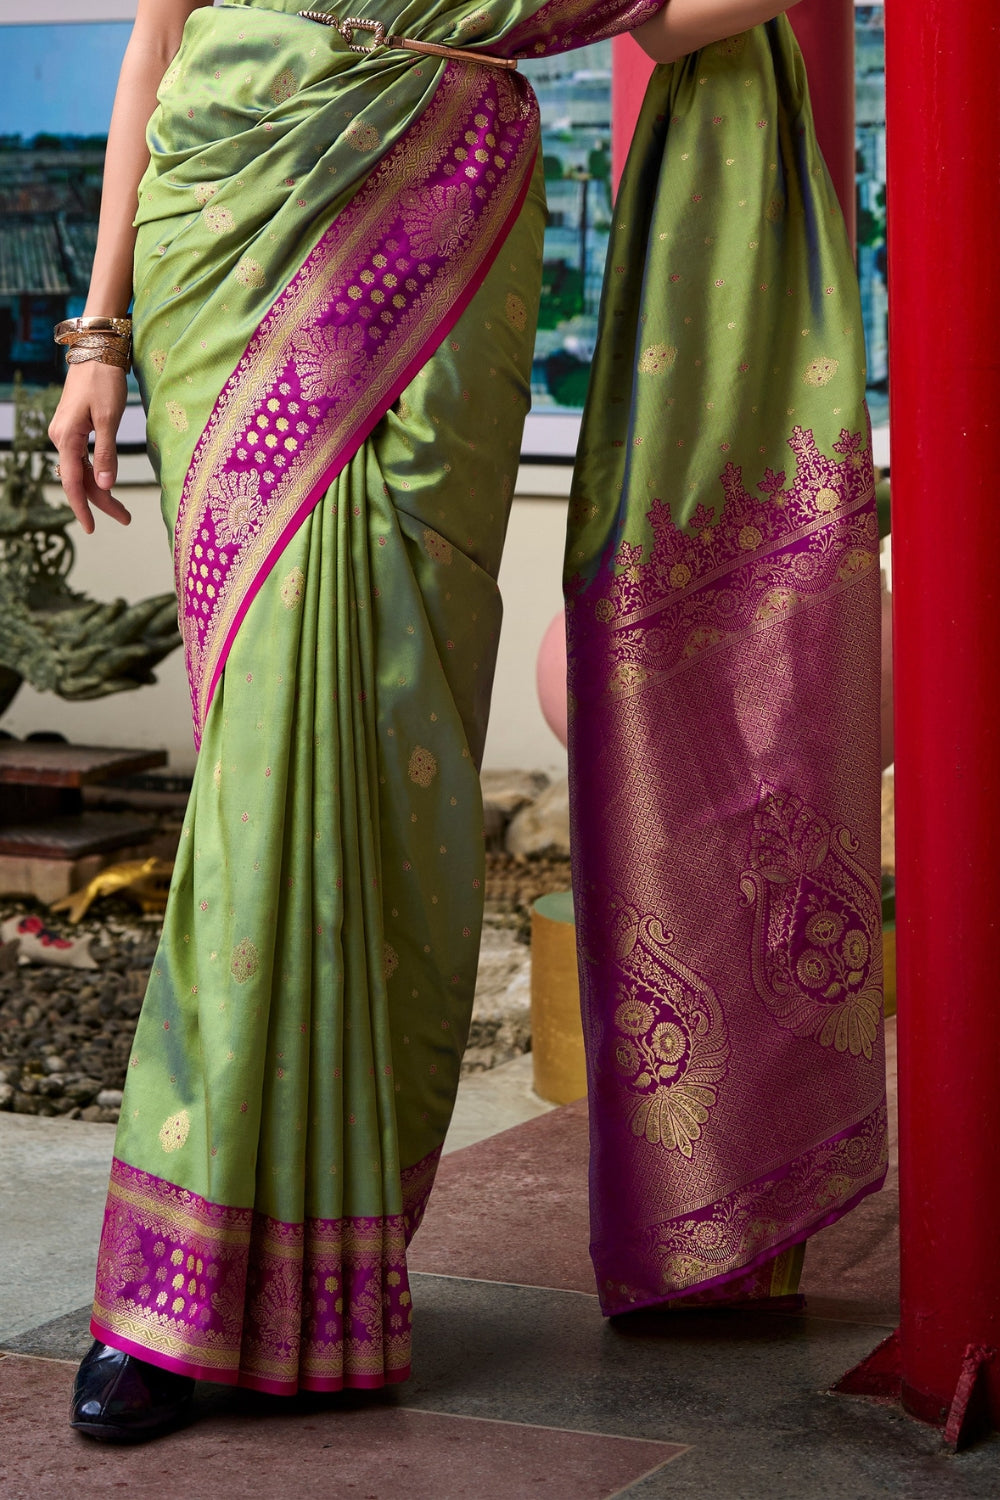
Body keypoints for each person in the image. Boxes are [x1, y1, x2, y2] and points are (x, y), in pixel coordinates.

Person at [47, 0, 825, 1446]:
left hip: (441, 235)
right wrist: (96, 334)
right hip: (232, 224)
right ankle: (173, 1291)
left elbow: (672, 13)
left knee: (378, 751)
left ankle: (304, 1274)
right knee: (261, 769)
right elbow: (159, 36)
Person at [565, 13, 887, 1315]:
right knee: (664, 667)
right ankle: (694, 1214)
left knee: (764, 667)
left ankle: (753, 1220)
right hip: (695, 190)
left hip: (743, 213)